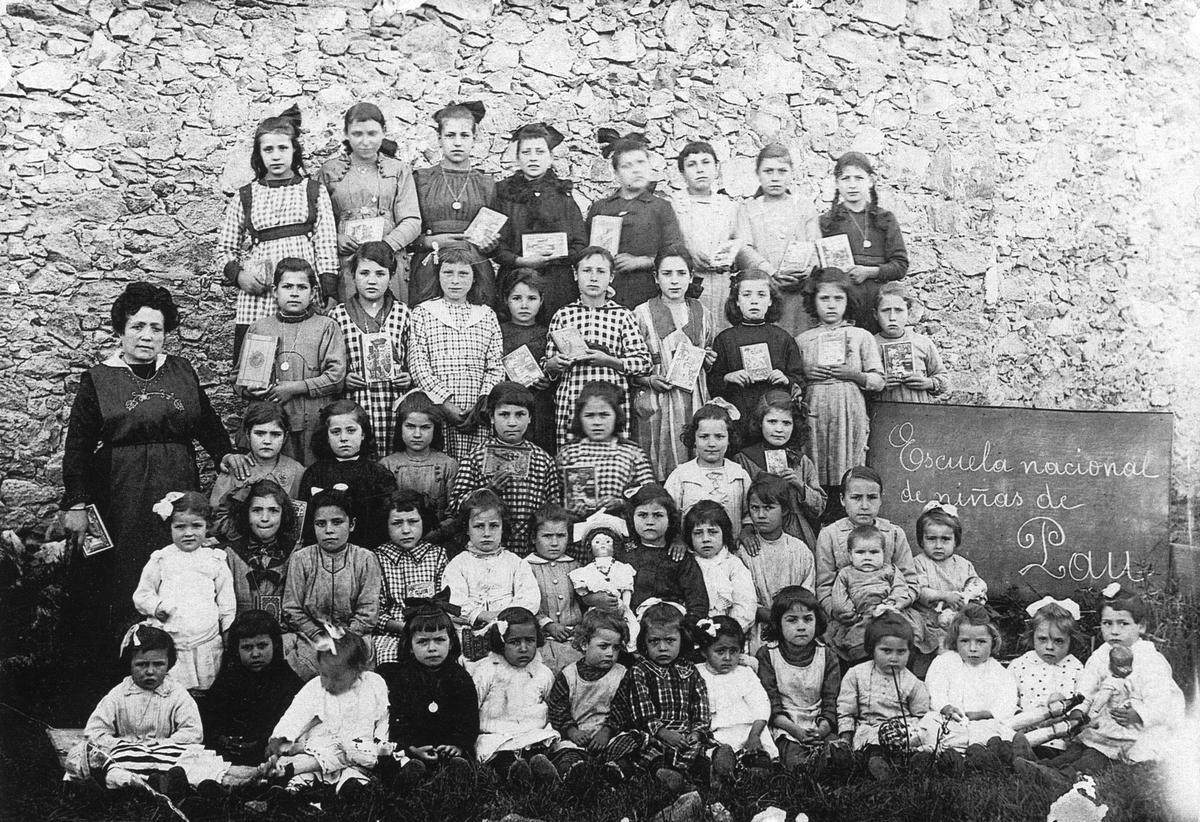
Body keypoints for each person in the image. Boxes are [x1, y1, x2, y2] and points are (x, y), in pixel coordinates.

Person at [60, 283, 246, 674]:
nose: (147, 336)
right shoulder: (98, 379)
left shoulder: (180, 371)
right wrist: (76, 502)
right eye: (138, 327)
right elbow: (77, 445)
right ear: (121, 331)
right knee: (125, 574)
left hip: (176, 479)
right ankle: (124, 671)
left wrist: (224, 452)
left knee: (179, 570)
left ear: (166, 332)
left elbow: (207, 422)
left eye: (156, 328)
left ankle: (183, 671)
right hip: (119, 490)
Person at [217, 106, 338, 354]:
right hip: (259, 294)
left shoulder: (313, 191)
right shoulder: (246, 195)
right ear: (259, 154)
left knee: (303, 356)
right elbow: (224, 250)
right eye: (268, 149)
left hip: (301, 289)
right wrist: (240, 277)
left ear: (294, 150)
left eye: (283, 148)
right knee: (258, 362)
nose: (276, 156)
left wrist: (329, 290)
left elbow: (326, 246)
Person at [239, 258, 347, 465]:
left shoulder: (326, 327)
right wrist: (249, 388)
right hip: (272, 424)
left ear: (313, 292)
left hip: (314, 421)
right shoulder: (259, 328)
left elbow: (336, 377)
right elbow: (239, 377)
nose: (295, 293)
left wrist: (296, 388)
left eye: (302, 287)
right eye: (287, 286)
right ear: (275, 290)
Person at [544, 247, 653, 449]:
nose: (593, 278)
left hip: (612, 403)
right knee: (574, 461)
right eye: (587, 271)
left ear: (611, 277)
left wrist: (610, 361)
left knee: (612, 461)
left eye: (601, 272)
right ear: (576, 275)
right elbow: (548, 365)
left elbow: (644, 362)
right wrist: (553, 364)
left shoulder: (622, 315)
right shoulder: (563, 315)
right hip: (573, 401)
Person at [407, 246, 505, 460]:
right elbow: (418, 364)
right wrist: (445, 403)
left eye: (463, 274)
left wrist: (481, 403)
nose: (455, 281)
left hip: (477, 412)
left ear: (474, 278)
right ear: (438, 275)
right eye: (448, 273)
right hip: (438, 408)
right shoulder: (423, 313)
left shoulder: (486, 314)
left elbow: (495, 365)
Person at [316, 102, 421, 303]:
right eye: (357, 134)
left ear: (384, 132)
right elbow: (317, 220)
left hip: (389, 261)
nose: (365, 141)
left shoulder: (398, 170)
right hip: (347, 262)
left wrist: (387, 245)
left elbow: (412, 220)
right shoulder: (329, 172)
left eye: (372, 134)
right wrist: (335, 238)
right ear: (346, 133)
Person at [795, 268, 885, 502]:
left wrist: (854, 374)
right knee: (815, 459)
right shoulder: (803, 339)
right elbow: (792, 381)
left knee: (848, 461)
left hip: (848, 407)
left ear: (848, 301)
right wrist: (806, 374)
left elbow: (878, 380)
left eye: (838, 298)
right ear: (813, 302)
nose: (831, 305)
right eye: (824, 298)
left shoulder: (860, 336)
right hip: (815, 408)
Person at [77, 625, 203, 791]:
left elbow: (193, 732)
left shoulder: (177, 693)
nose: (150, 671)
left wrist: (163, 744)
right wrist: (120, 745)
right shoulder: (119, 694)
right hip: (128, 756)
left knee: (195, 764)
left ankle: (170, 786)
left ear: (169, 664)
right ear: (129, 663)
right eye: (142, 664)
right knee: (108, 767)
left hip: (166, 755)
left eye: (158, 664)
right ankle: (138, 786)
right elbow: (95, 731)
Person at [132, 492, 235, 691]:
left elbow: (227, 603)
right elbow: (142, 594)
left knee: (207, 686)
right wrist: (156, 607)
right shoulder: (161, 559)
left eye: (196, 526)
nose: (188, 533)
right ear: (169, 527)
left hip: (206, 640)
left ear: (207, 526)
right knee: (172, 688)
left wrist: (228, 630)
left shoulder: (215, 560)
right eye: (180, 527)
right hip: (172, 639)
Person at [266, 631, 389, 795]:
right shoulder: (316, 687)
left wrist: (381, 744)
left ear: (358, 669)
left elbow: (383, 718)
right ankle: (292, 791)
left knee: (358, 769)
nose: (329, 682)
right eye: (325, 674)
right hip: (322, 745)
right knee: (309, 767)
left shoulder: (374, 684)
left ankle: (350, 790)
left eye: (337, 677)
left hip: (359, 749)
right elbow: (295, 716)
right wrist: (280, 739)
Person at [604, 601, 710, 792]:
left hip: (684, 734)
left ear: (682, 640)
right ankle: (663, 775)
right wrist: (663, 733)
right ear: (644, 642)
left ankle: (710, 772)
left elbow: (700, 704)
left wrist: (696, 732)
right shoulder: (640, 671)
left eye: (670, 641)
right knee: (640, 747)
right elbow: (641, 710)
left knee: (698, 751)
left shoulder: (690, 670)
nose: (662, 648)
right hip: (654, 734)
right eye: (654, 641)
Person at [449, 382, 562, 555]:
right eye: (504, 415)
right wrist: (488, 491)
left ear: (530, 417)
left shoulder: (543, 460)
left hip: (530, 552)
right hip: (486, 553)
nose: (512, 422)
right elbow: (456, 505)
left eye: (520, 415)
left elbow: (553, 509)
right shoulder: (476, 456)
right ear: (492, 417)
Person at [631, 249, 716, 479]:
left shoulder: (703, 313)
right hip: (658, 398)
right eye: (667, 273)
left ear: (690, 276)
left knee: (694, 457)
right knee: (657, 463)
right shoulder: (641, 313)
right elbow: (629, 362)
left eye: (681, 273)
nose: (675, 280)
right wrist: (648, 379)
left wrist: (707, 358)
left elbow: (707, 351)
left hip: (693, 397)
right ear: (656, 278)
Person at [282, 487, 383, 680]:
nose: (329, 530)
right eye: (321, 524)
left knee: (356, 678)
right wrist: (318, 635)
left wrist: (345, 639)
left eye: (337, 522)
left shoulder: (365, 559)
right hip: (312, 639)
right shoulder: (301, 559)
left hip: (355, 638)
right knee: (305, 671)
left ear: (351, 524)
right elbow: (291, 608)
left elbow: (368, 611)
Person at [490, 122, 587, 318]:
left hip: (557, 284)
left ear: (550, 157)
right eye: (526, 152)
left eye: (540, 152)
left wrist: (557, 256)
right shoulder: (503, 194)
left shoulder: (563, 197)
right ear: (517, 158)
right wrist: (519, 260)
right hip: (515, 282)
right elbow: (496, 245)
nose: (533, 158)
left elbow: (580, 243)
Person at [409, 101, 499, 306]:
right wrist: (432, 242)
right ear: (439, 139)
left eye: (464, 135)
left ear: (474, 139)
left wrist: (492, 244)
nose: (457, 142)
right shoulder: (421, 180)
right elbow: (408, 234)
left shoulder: (487, 184)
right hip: (430, 267)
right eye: (450, 135)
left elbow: (497, 241)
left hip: (474, 269)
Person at [379, 599, 478, 782]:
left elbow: (469, 718)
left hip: (448, 746)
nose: (432, 648)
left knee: (459, 764)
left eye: (440, 640)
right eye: (423, 642)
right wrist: (410, 747)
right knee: (399, 763)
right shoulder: (401, 677)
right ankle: (412, 773)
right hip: (414, 746)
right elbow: (396, 719)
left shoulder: (459, 677)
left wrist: (458, 745)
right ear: (410, 646)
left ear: (451, 642)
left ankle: (456, 772)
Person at [585, 130, 685, 308]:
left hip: (647, 291)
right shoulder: (600, 208)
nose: (636, 170)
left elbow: (675, 252)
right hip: (606, 292)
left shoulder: (661, 207)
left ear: (649, 166)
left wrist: (640, 261)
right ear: (616, 173)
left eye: (641, 162)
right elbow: (584, 252)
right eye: (627, 166)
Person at [329, 241, 412, 453]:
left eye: (380, 273)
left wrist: (408, 376)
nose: (372, 281)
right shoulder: (337, 315)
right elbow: (329, 363)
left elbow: (414, 357)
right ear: (353, 275)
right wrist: (344, 378)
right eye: (364, 273)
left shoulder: (404, 314)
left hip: (393, 402)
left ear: (391, 276)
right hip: (356, 402)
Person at [670, 142, 756, 333]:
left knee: (721, 331)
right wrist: (688, 254)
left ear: (716, 168)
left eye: (706, 162)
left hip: (721, 284)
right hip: (690, 283)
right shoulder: (674, 207)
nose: (700, 169)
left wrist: (730, 257)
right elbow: (668, 244)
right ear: (682, 173)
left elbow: (742, 246)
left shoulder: (729, 207)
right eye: (692, 165)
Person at [466, 607, 560, 783]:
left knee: (536, 753)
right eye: (515, 642)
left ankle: (542, 770)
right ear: (501, 642)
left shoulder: (542, 672)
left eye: (530, 641)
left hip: (531, 733)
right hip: (497, 736)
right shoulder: (486, 671)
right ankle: (515, 774)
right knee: (503, 758)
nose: (523, 648)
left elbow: (553, 706)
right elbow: (471, 707)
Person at [819, 151, 908, 334]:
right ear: (837, 183)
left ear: (871, 180)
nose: (852, 185)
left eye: (859, 178)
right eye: (845, 179)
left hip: (879, 307)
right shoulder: (827, 223)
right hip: (844, 307)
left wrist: (869, 272)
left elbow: (900, 265)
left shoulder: (885, 219)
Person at [813, 466, 918, 620]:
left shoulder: (894, 533)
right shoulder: (829, 535)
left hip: (891, 613)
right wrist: (837, 612)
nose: (864, 505)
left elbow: (910, 582)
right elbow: (824, 587)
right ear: (843, 499)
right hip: (849, 616)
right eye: (856, 498)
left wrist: (895, 605)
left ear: (880, 499)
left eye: (872, 497)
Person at [755, 587, 840, 773]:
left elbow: (831, 700)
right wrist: (797, 732)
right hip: (786, 723)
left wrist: (822, 729)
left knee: (834, 748)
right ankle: (809, 767)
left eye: (808, 619)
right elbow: (771, 703)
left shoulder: (827, 655)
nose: (801, 626)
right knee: (794, 758)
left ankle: (831, 762)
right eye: (792, 620)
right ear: (778, 623)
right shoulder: (768, 655)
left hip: (818, 721)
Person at [739, 144, 821, 336]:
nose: (775, 177)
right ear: (758, 174)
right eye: (768, 171)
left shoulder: (803, 206)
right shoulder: (748, 209)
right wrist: (771, 272)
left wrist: (807, 270)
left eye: (782, 171)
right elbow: (744, 248)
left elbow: (816, 245)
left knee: (799, 338)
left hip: (799, 289)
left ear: (791, 173)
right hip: (764, 288)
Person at [706, 269, 804, 426]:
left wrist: (786, 379)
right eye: (746, 295)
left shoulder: (783, 338)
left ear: (771, 301)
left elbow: (800, 379)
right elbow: (712, 382)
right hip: (739, 414)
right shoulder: (725, 339)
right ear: (736, 301)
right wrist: (727, 378)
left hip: (775, 418)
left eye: (761, 295)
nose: (754, 301)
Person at [203, 610, 302, 766]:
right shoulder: (228, 679)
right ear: (236, 649)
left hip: (270, 755)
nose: (255, 654)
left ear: (275, 644)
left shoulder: (289, 682)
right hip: (229, 756)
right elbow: (210, 721)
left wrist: (258, 745)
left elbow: (291, 726)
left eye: (262, 646)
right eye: (247, 647)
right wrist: (222, 740)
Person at [836, 614, 929, 778]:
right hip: (870, 728)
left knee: (912, 741)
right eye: (886, 651)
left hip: (901, 729)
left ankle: (914, 763)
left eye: (901, 652)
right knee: (871, 746)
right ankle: (877, 765)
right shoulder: (856, 675)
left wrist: (914, 732)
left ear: (909, 652)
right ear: (872, 649)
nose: (893, 658)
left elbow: (920, 713)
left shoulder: (911, 681)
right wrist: (846, 738)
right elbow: (846, 710)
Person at [298, 400, 397, 550]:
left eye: (351, 430)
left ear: (363, 434)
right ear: (327, 436)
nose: (343, 438)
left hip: (368, 553)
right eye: (336, 432)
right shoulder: (314, 473)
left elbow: (385, 523)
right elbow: (305, 524)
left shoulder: (379, 474)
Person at [917, 604, 1017, 752]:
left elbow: (1007, 700)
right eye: (964, 641)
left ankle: (975, 753)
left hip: (983, 723)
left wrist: (988, 714)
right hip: (950, 721)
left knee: (999, 731)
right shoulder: (944, 662)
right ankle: (946, 753)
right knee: (931, 723)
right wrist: (945, 707)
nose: (973, 648)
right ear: (955, 640)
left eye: (981, 642)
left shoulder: (999, 671)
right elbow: (934, 689)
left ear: (993, 641)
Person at [733, 390, 825, 548]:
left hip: (797, 533)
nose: (779, 429)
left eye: (786, 423)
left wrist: (800, 485)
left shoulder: (801, 461)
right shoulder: (744, 459)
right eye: (772, 421)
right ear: (760, 422)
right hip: (757, 533)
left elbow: (820, 506)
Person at [442, 489, 540, 637]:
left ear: (503, 528)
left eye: (494, 526)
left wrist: (505, 616)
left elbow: (529, 598)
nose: (487, 533)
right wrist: (480, 615)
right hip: (470, 634)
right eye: (479, 526)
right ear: (467, 529)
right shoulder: (458, 565)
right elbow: (453, 603)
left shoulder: (516, 563)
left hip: (510, 632)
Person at [546, 608, 629, 777]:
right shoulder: (569, 675)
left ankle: (614, 772)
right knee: (566, 753)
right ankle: (574, 772)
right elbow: (557, 708)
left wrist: (607, 731)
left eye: (616, 648)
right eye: (603, 646)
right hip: (577, 735)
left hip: (607, 735)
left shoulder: (621, 674)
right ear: (584, 644)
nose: (610, 654)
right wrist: (571, 731)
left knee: (627, 745)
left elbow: (623, 709)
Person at [738, 475, 816, 651]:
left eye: (768, 508)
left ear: (784, 510)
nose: (760, 515)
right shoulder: (745, 551)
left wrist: (788, 617)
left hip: (796, 625)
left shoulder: (799, 550)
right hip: (757, 630)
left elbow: (808, 593)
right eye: (755, 508)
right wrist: (770, 615)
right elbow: (744, 598)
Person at [695, 615, 777, 783]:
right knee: (718, 753)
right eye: (720, 651)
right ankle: (725, 770)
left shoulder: (744, 673)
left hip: (749, 731)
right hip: (718, 734)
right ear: (704, 651)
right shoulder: (696, 674)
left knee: (759, 759)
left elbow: (761, 705)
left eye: (733, 651)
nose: (727, 658)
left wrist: (754, 735)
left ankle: (755, 770)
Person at [555, 381, 655, 518]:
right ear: (579, 417)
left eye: (604, 415)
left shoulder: (632, 453)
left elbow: (650, 496)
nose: (597, 422)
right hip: (577, 527)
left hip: (622, 526)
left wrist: (622, 503)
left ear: (616, 416)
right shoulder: (568, 454)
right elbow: (555, 497)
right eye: (589, 415)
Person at [371, 491, 447, 667]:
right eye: (397, 523)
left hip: (432, 630)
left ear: (424, 521)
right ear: (386, 525)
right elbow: (376, 610)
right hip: (393, 634)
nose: (406, 530)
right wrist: (402, 628)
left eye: (413, 522)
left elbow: (444, 601)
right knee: (390, 660)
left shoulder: (437, 555)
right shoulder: (377, 558)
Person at [826, 525, 920, 666]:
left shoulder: (890, 570)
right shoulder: (846, 574)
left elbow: (901, 587)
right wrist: (848, 611)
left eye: (874, 552)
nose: (867, 558)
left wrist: (892, 602)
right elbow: (839, 597)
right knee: (858, 641)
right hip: (861, 615)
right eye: (861, 552)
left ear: (883, 553)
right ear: (850, 555)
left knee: (905, 633)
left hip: (889, 612)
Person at [911, 502, 987, 675]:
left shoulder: (963, 565)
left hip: (958, 620)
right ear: (921, 540)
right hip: (930, 621)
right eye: (931, 539)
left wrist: (969, 599)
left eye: (945, 539)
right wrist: (945, 596)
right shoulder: (920, 563)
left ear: (955, 540)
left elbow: (975, 587)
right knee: (939, 655)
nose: (938, 545)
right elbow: (920, 591)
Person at [210, 403, 303, 538]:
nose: (267, 441)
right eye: (260, 433)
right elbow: (216, 516)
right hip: (241, 545)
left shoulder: (296, 470)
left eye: (275, 434)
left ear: (285, 437)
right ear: (248, 434)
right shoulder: (236, 469)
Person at [619, 482, 708, 623]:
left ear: (670, 519)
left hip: (670, 627)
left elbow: (698, 602)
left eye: (658, 515)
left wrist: (687, 627)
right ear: (632, 517)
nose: (649, 522)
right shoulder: (624, 553)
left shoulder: (678, 556)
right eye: (642, 515)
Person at [379, 391, 459, 541]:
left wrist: (433, 536)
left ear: (435, 429)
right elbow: (384, 513)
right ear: (400, 427)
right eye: (410, 426)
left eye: (425, 427)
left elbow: (453, 513)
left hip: (438, 542)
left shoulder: (448, 465)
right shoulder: (387, 465)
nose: (417, 434)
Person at [1007, 598, 1084, 752]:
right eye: (1042, 639)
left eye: (1058, 641)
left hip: (1059, 738)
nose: (1049, 646)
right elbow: (1007, 700)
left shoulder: (1076, 668)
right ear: (1032, 635)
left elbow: (1083, 704)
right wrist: (1020, 716)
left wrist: (1067, 715)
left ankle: (1040, 767)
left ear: (1071, 641)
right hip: (1022, 734)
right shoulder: (1020, 665)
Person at [220, 479, 299, 621]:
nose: (265, 518)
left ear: (283, 514)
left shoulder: (295, 553)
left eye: (273, 511)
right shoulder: (230, 554)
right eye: (257, 510)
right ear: (246, 513)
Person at [498, 268, 556, 455]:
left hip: (540, 406)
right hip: (507, 404)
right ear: (506, 299)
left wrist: (549, 379)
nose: (524, 305)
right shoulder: (498, 331)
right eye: (517, 298)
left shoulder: (548, 333)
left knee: (539, 450)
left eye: (531, 298)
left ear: (541, 300)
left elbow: (557, 369)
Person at [664, 402, 751, 527]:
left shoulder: (738, 474)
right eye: (704, 437)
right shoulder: (681, 475)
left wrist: (747, 529)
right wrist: (677, 539)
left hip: (731, 544)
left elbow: (749, 513)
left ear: (729, 439)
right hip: (691, 545)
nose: (711, 443)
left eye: (719, 437)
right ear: (694, 439)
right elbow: (669, 513)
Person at [683, 501, 756, 635]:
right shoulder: (685, 564)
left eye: (713, 532)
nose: (706, 539)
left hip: (726, 636)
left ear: (724, 533)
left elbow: (745, 607)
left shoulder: (733, 565)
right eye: (698, 533)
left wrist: (723, 632)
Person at [527, 505, 584, 672]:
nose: (554, 543)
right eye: (547, 536)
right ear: (533, 538)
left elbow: (584, 601)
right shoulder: (525, 567)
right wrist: (547, 624)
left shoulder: (575, 566)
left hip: (574, 638)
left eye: (560, 536)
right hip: (542, 639)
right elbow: (525, 605)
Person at [873, 282, 948, 403]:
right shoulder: (869, 345)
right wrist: (878, 384)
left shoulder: (923, 343)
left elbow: (945, 380)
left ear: (908, 312)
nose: (892, 317)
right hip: (883, 414)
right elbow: (858, 386)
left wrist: (928, 383)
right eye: (885, 310)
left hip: (918, 413)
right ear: (875, 314)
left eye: (899, 310)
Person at [569, 524, 637, 650]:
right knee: (595, 631)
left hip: (619, 609)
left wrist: (625, 606)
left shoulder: (622, 568)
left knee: (630, 628)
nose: (602, 545)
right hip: (597, 611)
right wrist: (594, 600)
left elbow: (627, 588)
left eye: (607, 541)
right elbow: (583, 595)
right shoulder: (586, 571)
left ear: (614, 546)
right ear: (590, 547)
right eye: (597, 542)